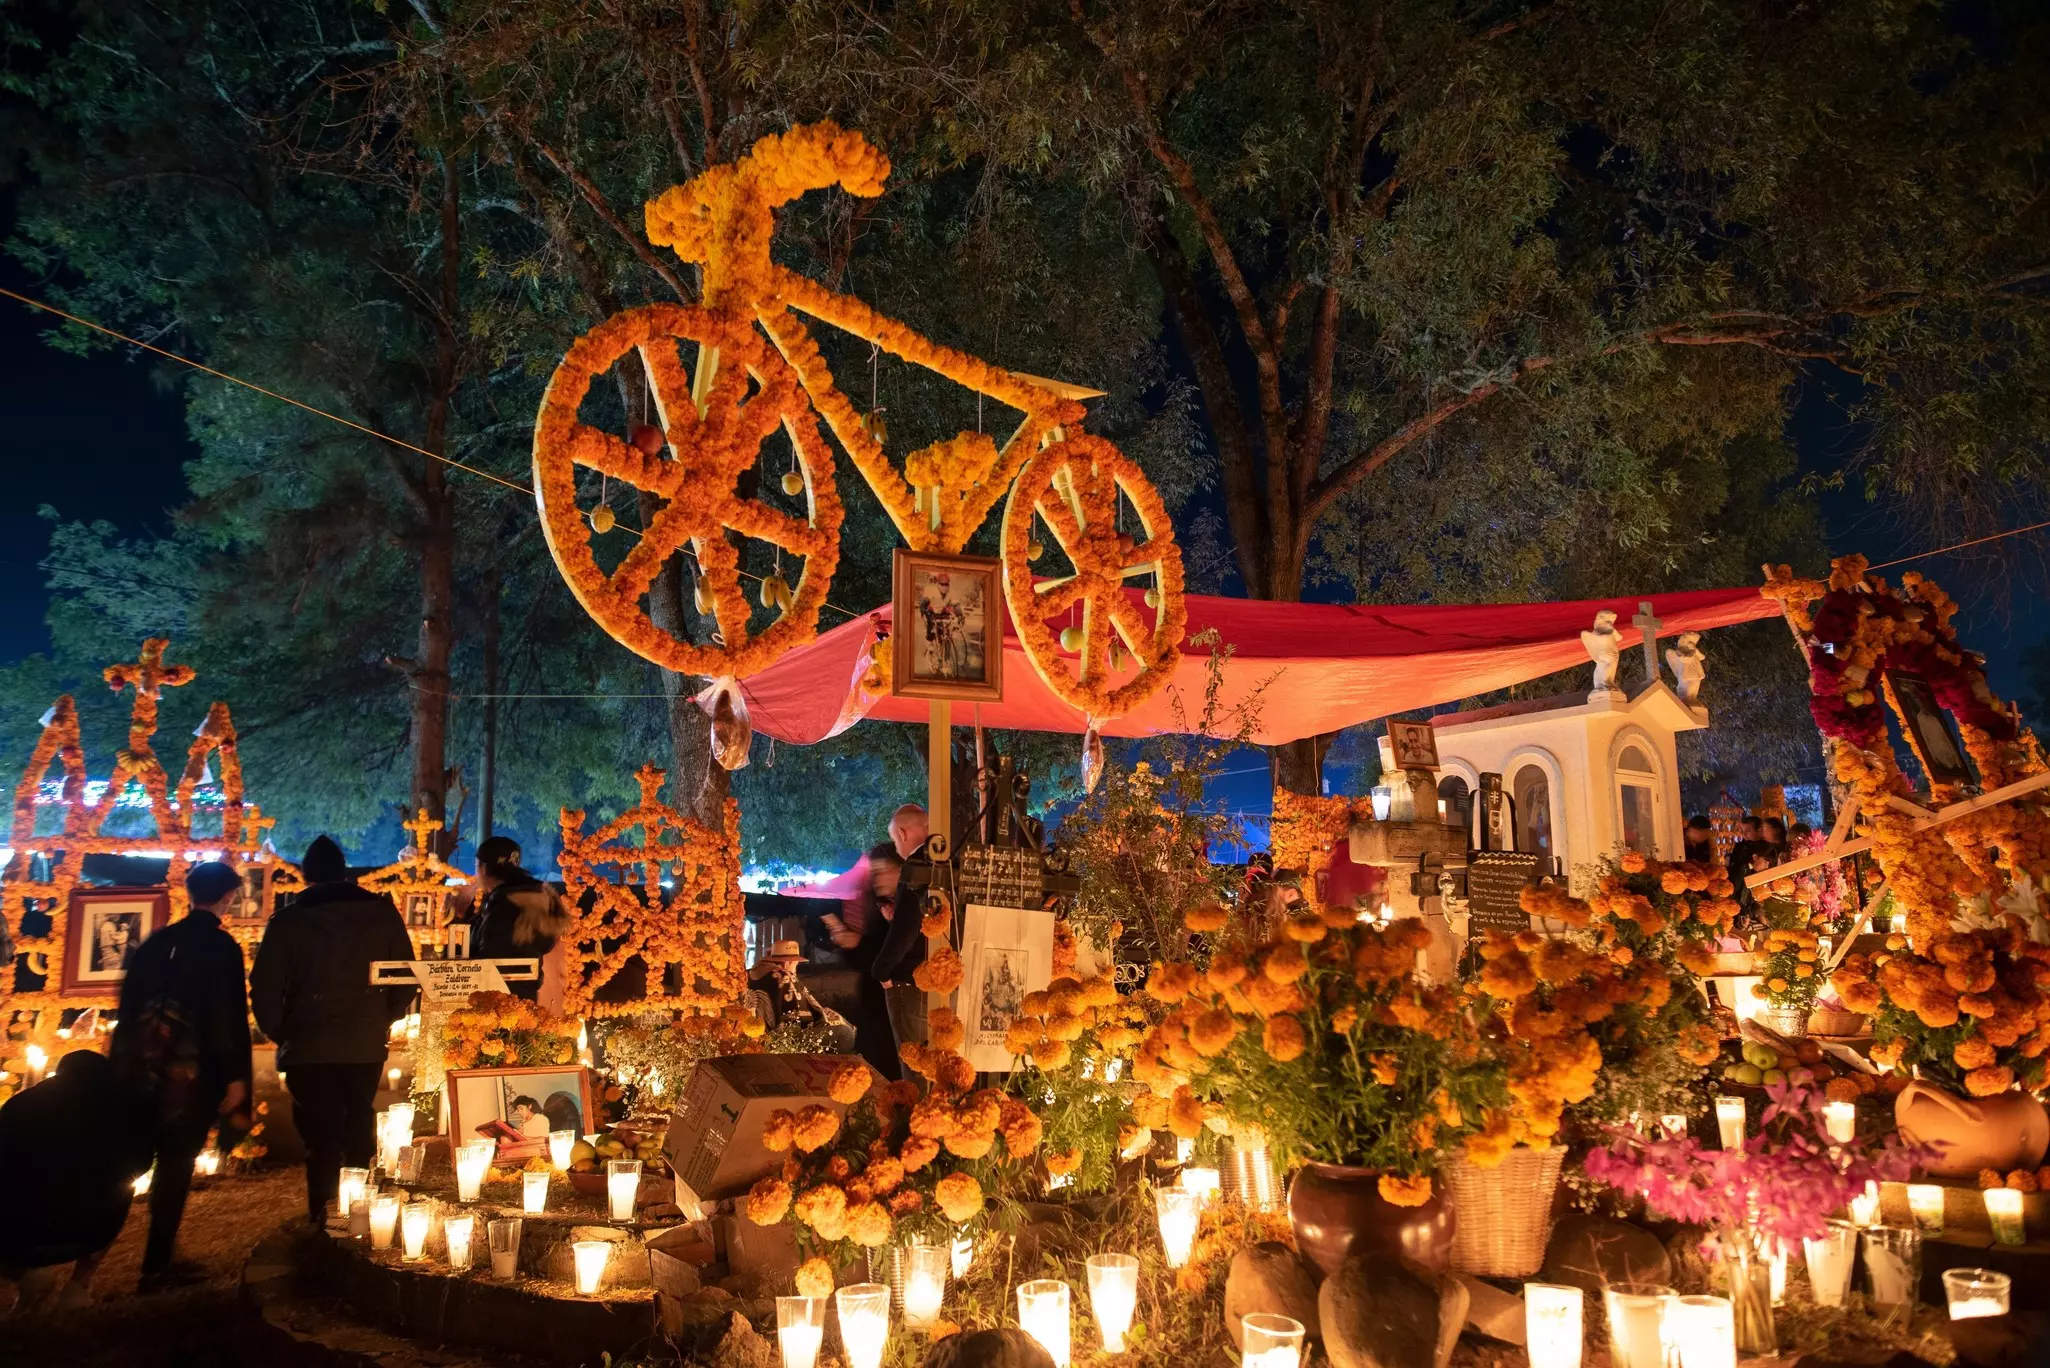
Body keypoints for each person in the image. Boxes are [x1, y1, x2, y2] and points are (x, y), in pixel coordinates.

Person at [250, 836, 415, 1230]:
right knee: (358, 1122)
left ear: (307, 877)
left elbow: (265, 986)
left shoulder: (289, 921)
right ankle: (359, 1217)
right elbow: (406, 977)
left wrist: (283, 1032)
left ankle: (322, 1217)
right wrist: (381, 1018)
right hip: (363, 1043)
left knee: (319, 1136)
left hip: (307, 1046)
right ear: (345, 874)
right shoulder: (381, 914)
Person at [110, 861, 254, 1292]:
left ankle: (95, 1261)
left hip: (139, 1072)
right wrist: (234, 1078)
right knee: (175, 1165)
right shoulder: (220, 947)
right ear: (228, 897)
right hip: (188, 1079)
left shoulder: (157, 943)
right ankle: (156, 1264)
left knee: (129, 1163)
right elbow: (226, 1015)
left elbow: (128, 1009)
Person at [0, 1050, 152, 1313]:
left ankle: (19, 1276)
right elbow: (141, 1164)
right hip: (90, 1228)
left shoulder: (21, 1105)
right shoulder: (122, 1110)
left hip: (19, 1229)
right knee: (121, 1188)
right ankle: (78, 1285)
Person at [469, 836, 571, 1013]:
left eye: (476, 866)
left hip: (496, 1002)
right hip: (526, 996)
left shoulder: (502, 903)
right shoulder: (536, 898)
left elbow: (489, 956)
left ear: (484, 868)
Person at [870, 805, 934, 1060]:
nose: (897, 848)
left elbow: (907, 930)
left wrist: (882, 970)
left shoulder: (917, 867)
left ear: (902, 832)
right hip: (946, 978)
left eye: (896, 841)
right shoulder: (947, 861)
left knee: (916, 1063)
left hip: (913, 982)